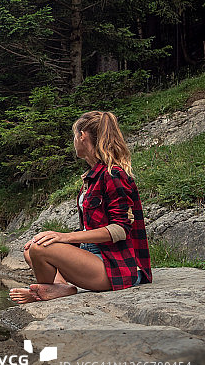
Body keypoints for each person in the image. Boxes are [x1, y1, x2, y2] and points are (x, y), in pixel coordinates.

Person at [9, 111, 152, 303]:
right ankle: (59, 288)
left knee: (39, 249)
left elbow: (120, 229)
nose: (74, 141)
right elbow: (90, 228)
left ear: (82, 136)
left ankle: (44, 291)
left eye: (74, 136)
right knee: (32, 249)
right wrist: (56, 238)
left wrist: (65, 237)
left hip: (115, 266)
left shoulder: (114, 174)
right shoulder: (93, 176)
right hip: (93, 256)